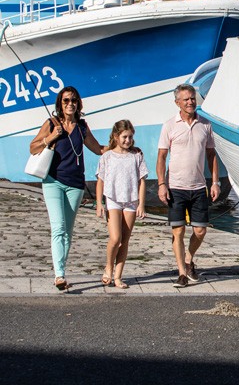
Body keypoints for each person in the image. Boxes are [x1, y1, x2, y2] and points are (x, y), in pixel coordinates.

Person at [29, 86, 103, 290]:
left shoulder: (82, 127)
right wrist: (51, 137)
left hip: (76, 184)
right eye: (66, 100)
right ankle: (59, 275)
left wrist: (124, 147)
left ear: (79, 103)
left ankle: (61, 269)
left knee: (68, 232)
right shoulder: (51, 123)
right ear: (60, 104)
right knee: (58, 227)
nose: (70, 104)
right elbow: (33, 147)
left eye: (74, 100)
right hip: (53, 181)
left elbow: (98, 149)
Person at [156, 84, 219, 288]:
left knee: (200, 231)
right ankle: (182, 273)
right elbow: (162, 156)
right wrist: (162, 184)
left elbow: (211, 155)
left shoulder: (205, 125)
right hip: (176, 186)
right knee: (178, 231)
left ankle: (188, 258)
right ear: (177, 103)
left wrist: (215, 182)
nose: (191, 102)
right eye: (186, 99)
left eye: (192, 98)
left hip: (199, 186)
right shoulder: (169, 125)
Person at [95, 119, 148, 289]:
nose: (128, 140)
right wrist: (99, 204)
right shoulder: (107, 156)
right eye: (125, 137)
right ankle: (109, 267)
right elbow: (100, 181)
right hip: (113, 199)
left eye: (130, 137)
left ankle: (118, 276)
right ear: (116, 137)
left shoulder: (136, 156)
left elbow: (142, 181)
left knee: (125, 240)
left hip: (131, 200)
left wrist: (141, 204)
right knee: (115, 238)